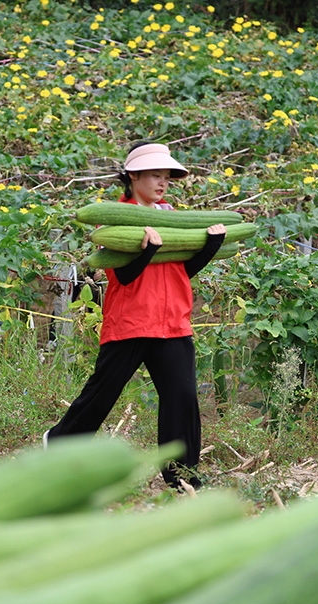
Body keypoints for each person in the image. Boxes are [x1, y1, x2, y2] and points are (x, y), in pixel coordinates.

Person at [44, 141, 226, 489]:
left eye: (167, 177)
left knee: (182, 398)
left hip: (173, 319)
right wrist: (145, 252)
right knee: (103, 392)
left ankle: (183, 476)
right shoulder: (116, 220)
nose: (162, 183)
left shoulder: (172, 216)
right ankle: (60, 442)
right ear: (133, 176)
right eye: (155, 175)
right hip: (131, 320)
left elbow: (181, 272)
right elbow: (123, 276)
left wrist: (208, 249)